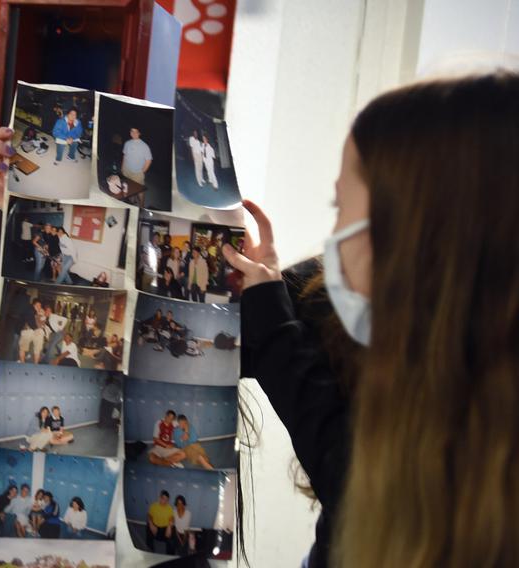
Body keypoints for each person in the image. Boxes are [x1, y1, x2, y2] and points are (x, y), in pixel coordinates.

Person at [222, 73, 519, 568]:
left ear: (418, 233)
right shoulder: (374, 304)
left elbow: (359, 489)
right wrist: (264, 287)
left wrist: (272, 324)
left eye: (343, 210)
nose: (334, 236)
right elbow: (264, 331)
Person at [18, 299, 46, 364]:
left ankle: (35, 365)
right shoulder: (30, 310)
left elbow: (42, 324)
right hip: (28, 330)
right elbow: (30, 323)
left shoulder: (41, 312)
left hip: (37, 331)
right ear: (33, 305)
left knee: (37, 349)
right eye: (37, 305)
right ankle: (22, 363)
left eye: (40, 306)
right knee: (23, 347)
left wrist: (42, 316)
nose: (39, 307)